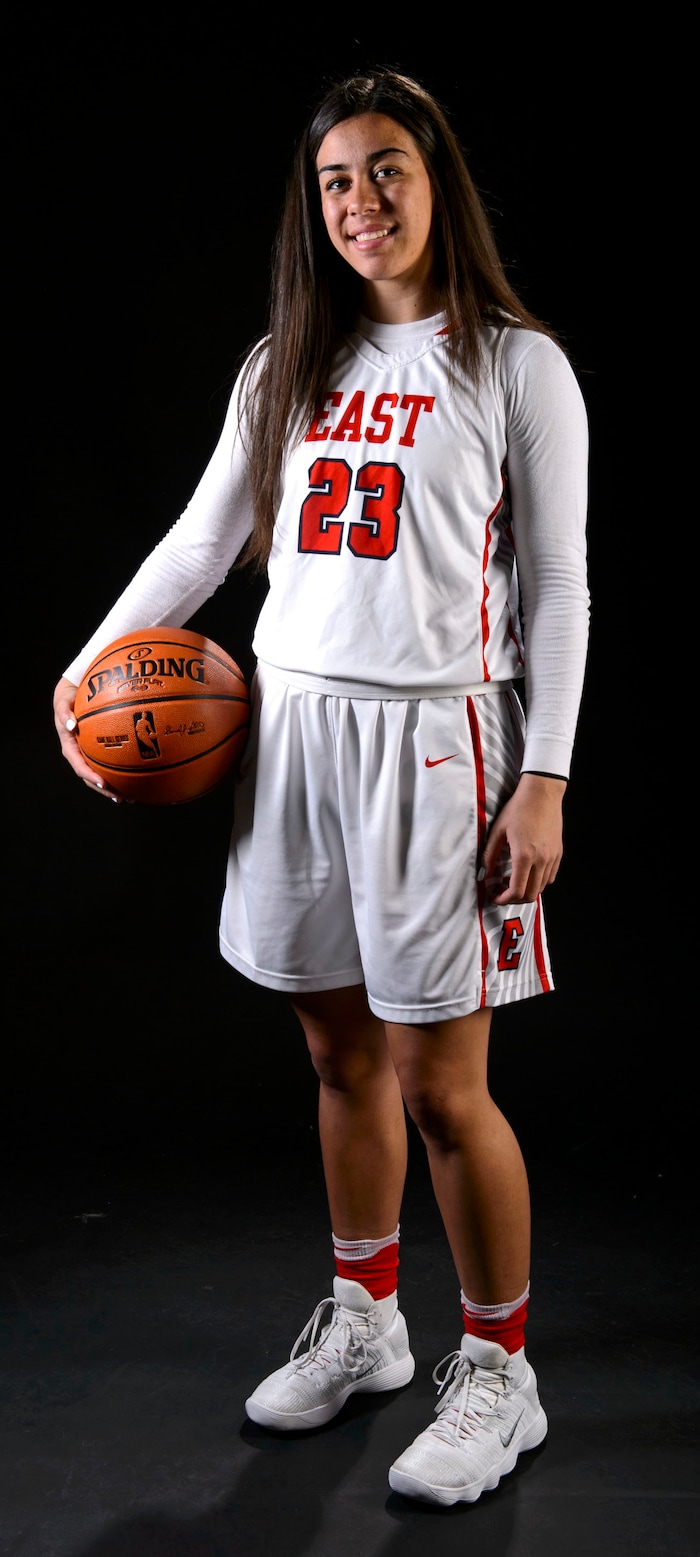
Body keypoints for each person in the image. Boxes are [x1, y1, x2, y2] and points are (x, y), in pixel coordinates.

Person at [53, 70, 589, 1507]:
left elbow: (558, 586)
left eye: (388, 169)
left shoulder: (512, 362)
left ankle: (501, 1371)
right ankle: (367, 1322)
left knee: (442, 1086)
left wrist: (543, 778)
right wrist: (91, 663)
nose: (362, 201)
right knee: (337, 1055)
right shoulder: (284, 359)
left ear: (439, 180)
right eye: (337, 181)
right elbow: (199, 541)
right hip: (289, 728)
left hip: (438, 742)